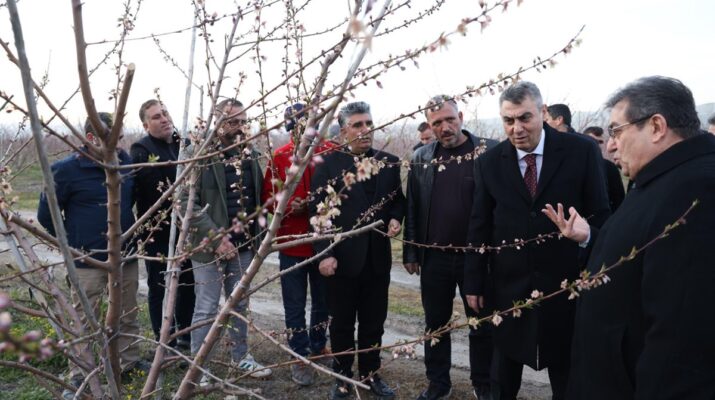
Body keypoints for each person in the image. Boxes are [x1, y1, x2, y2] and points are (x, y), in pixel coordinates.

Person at [543, 76, 715, 400]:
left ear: (656, 126)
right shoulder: (660, 178)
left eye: (617, 131)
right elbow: (646, 257)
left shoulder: (699, 192)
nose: (610, 144)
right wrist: (591, 239)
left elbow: (683, 344)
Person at [464, 81, 610, 400]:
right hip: (508, 287)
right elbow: (480, 224)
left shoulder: (580, 151)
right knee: (502, 377)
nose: (516, 128)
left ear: (543, 113)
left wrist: (587, 237)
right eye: (508, 120)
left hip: (566, 285)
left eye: (525, 118)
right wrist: (473, 281)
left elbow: (600, 213)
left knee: (568, 378)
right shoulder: (489, 162)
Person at [37, 113, 148, 398]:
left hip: (126, 255)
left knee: (127, 311)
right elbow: (46, 214)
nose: (118, 144)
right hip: (85, 259)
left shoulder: (125, 164)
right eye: (111, 138)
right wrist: (72, 243)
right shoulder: (65, 170)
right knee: (85, 319)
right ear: (90, 138)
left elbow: (132, 204)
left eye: (119, 138)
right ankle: (81, 374)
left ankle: (128, 362)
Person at [403, 95, 497, 400]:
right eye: (437, 123)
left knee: (480, 324)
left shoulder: (489, 151)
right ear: (430, 126)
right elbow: (413, 207)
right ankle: (438, 384)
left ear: (461, 115)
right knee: (436, 325)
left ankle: (483, 383)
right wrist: (411, 251)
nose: (445, 127)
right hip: (435, 259)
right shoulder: (422, 157)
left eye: (449, 119)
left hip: (477, 259)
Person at [310, 101, 405, 400]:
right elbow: (320, 215)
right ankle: (341, 378)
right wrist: (325, 254)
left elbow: (398, 201)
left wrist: (395, 217)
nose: (366, 130)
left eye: (369, 124)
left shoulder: (388, 162)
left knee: (374, 323)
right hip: (342, 260)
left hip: (377, 260)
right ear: (343, 131)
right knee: (341, 324)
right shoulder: (326, 165)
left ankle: (370, 374)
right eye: (358, 125)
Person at [180, 98, 271, 385]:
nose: (241, 127)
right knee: (206, 308)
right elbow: (184, 203)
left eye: (244, 121)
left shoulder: (251, 154)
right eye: (233, 122)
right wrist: (216, 238)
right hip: (208, 248)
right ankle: (199, 367)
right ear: (217, 123)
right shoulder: (198, 154)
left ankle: (240, 357)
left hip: (244, 246)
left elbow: (258, 198)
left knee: (239, 304)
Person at [261, 103, 334, 386]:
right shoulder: (279, 157)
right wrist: (292, 205)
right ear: (290, 127)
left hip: (323, 240)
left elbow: (341, 190)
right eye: (298, 123)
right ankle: (299, 355)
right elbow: (268, 198)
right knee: (294, 305)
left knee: (323, 302)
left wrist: (318, 206)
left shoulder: (328, 151)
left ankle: (318, 345)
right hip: (291, 242)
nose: (304, 128)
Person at [131, 100, 195, 349]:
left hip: (187, 229)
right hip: (157, 232)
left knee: (188, 285)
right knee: (160, 288)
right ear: (146, 124)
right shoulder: (142, 150)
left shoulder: (183, 145)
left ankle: (186, 336)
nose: (164, 118)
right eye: (157, 117)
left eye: (166, 113)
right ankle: (163, 341)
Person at [583, 126, 626, 211]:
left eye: (600, 142)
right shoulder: (577, 165)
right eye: (592, 140)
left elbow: (619, 199)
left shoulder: (610, 167)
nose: (596, 144)